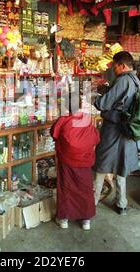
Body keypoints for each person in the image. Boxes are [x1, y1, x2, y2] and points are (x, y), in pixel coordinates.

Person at [93, 51, 140, 215]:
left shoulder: (122, 80)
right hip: (128, 131)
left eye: (115, 66)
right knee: (122, 166)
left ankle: (91, 203)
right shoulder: (136, 80)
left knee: (101, 165)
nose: (113, 69)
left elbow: (103, 104)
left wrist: (96, 98)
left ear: (122, 65)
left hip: (114, 130)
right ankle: (121, 204)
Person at [51, 93, 100, 230]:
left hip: (67, 160)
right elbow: (96, 137)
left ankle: (64, 220)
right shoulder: (87, 118)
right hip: (85, 161)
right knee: (85, 188)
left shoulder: (63, 119)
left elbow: (53, 134)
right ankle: (86, 220)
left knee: (66, 187)